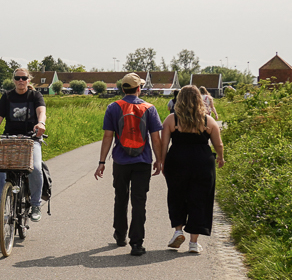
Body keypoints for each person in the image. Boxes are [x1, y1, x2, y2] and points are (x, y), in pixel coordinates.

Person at [94, 73, 163, 256]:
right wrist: (159, 159)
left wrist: (102, 162)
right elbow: (156, 139)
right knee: (139, 201)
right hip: (143, 161)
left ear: (123, 89)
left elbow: (108, 136)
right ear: (139, 89)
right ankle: (137, 243)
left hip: (120, 160)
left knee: (121, 197)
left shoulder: (113, 107)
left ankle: (120, 234)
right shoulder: (150, 108)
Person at [158, 85, 225, 254]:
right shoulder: (208, 121)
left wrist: (162, 162)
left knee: (176, 195)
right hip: (202, 162)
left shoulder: (171, 120)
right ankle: (194, 242)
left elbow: (164, 144)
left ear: (179, 100)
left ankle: (178, 231)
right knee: (200, 199)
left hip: (177, 160)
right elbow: (219, 144)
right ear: (199, 100)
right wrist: (221, 157)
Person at [0, 68, 46, 222]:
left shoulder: (35, 96)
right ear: (13, 80)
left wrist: (41, 123)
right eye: (18, 78)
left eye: (24, 78)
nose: (21, 81)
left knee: (36, 168)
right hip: (9, 138)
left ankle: (36, 205)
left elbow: (41, 112)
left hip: (31, 139)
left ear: (28, 80)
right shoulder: (7, 97)